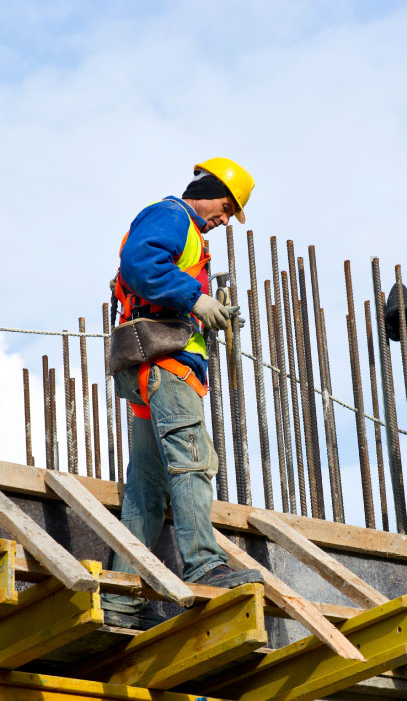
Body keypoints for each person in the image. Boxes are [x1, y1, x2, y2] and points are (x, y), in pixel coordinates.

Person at [103, 158, 262, 628]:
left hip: (153, 368)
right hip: (165, 366)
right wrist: (195, 299)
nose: (226, 219)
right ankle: (205, 564)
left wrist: (202, 306)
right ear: (207, 189)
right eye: (227, 206)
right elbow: (139, 264)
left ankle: (121, 597)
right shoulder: (173, 215)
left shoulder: (191, 235)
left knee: (147, 491)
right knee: (193, 461)